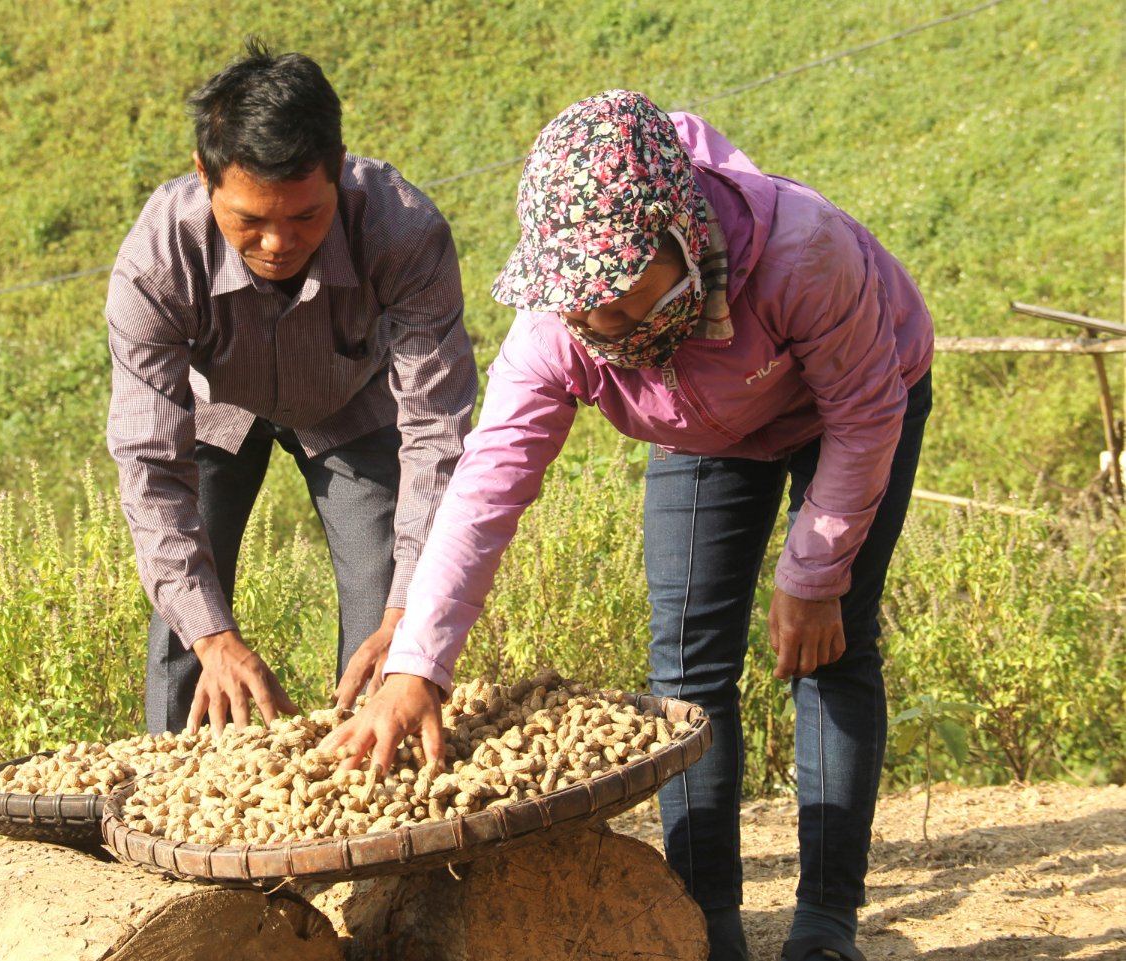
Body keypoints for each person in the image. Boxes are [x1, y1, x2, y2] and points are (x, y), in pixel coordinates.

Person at [324, 91, 934, 961]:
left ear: (680, 234)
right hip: (705, 424)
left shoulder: (804, 253)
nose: (604, 327)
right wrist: (420, 662)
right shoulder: (559, 329)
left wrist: (813, 575)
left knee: (828, 647)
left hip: (855, 408)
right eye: (583, 311)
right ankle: (705, 924)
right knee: (688, 663)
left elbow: (867, 412)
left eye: (620, 299)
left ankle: (827, 923)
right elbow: (484, 493)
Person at [104, 39, 477, 739]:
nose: (277, 242)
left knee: (387, 613)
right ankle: (174, 801)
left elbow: (437, 433)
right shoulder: (157, 261)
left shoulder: (404, 234)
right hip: (216, 404)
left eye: (306, 216)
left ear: (338, 171)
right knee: (185, 621)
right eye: (249, 220)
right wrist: (213, 638)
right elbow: (150, 467)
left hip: (353, 402)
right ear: (204, 177)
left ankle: (369, 796)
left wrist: (409, 618)